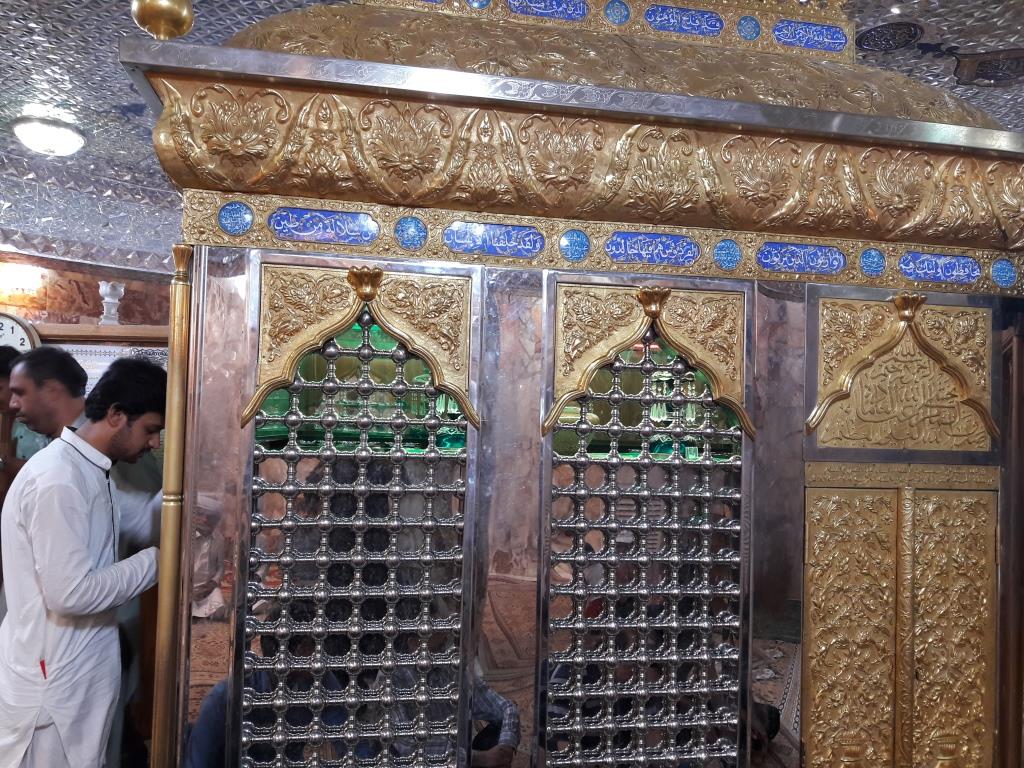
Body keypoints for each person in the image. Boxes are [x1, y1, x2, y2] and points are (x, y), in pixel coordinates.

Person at [0, 356, 167, 767]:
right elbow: (71, 594)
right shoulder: (59, 478)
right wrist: (161, 563)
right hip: (50, 692)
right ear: (116, 415)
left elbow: (142, 520)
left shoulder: (89, 470)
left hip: (71, 683)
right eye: (150, 429)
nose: (154, 443)